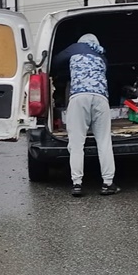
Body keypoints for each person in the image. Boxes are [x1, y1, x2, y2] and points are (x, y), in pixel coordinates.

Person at [52, 34, 119, 197]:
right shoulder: (102, 56)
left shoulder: (75, 48)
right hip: (101, 98)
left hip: (79, 97)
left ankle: (77, 184)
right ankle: (108, 183)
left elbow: (54, 62)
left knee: (76, 143)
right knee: (104, 141)